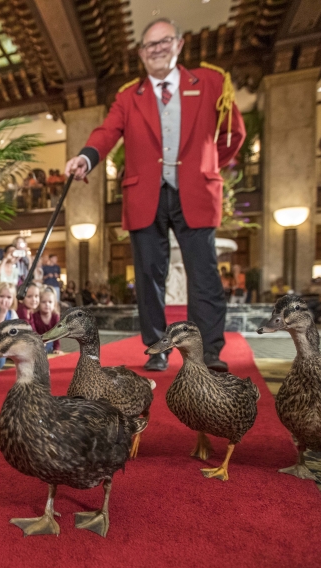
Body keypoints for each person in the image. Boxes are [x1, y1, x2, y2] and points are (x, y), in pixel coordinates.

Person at [65, 17, 244, 372]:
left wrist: (205, 168)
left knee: (204, 274)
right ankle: (157, 348)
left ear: (178, 44)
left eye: (165, 42)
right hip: (144, 196)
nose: (158, 49)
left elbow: (233, 133)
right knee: (148, 275)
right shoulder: (129, 96)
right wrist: (87, 157)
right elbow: (107, 131)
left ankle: (208, 350)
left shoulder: (210, 81)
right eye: (150, 45)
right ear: (141, 53)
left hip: (195, 192)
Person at [30, 286, 61, 353]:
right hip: (36, 342)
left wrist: (57, 348)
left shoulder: (55, 316)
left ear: (54, 304)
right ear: (39, 303)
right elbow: (33, 331)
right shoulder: (34, 315)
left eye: (50, 302)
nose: (47, 304)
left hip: (49, 342)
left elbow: (57, 334)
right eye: (43, 302)